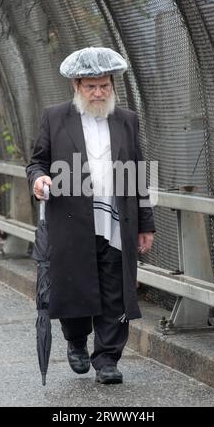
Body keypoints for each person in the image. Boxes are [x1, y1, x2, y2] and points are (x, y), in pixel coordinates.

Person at [26, 47, 155, 384]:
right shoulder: (55, 117)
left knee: (116, 291)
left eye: (104, 86)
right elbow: (37, 160)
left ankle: (108, 358)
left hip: (116, 222)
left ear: (112, 85)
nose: (98, 93)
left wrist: (145, 223)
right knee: (75, 287)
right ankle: (76, 341)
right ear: (76, 86)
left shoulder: (127, 119)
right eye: (91, 87)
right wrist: (39, 179)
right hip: (70, 221)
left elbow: (139, 173)